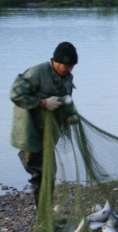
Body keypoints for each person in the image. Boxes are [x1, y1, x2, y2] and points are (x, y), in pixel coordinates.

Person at [10, 42, 79, 207]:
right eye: (67, 65)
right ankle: (43, 216)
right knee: (39, 174)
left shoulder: (67, 77)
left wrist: (70, 114)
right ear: (57, 61)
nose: (70, 69)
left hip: (49, 134)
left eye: (72, 66)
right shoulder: (36, 73)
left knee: (49, 173)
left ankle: (45, 211)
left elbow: (66, 99)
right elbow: (16, 94)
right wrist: (42, 103)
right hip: (30, 132)